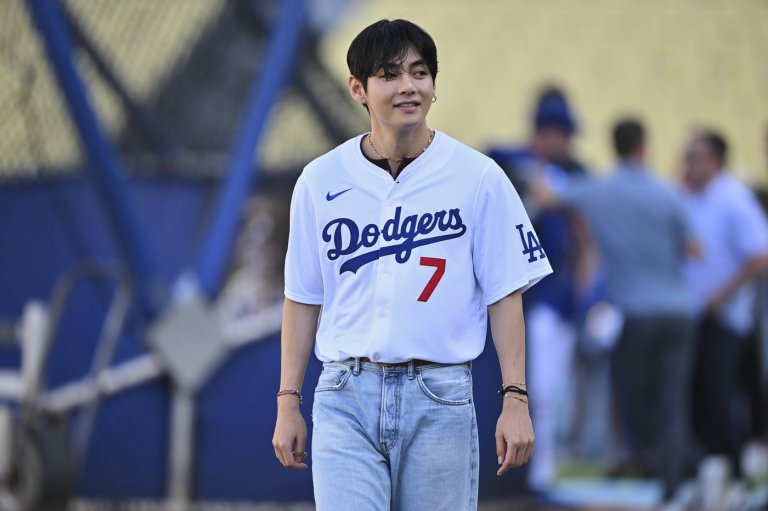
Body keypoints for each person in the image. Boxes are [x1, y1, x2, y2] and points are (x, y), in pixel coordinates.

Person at [271, 19, 553, 510]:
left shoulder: (478, 176)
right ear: (358, 88)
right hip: (345, 393)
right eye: (389, 74)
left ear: (434, 85)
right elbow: (302, 297)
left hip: (440, 394)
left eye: (419, 73)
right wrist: (287, 401)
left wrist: (515, 398)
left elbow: (505, 293)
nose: (408, 86)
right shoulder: (319, 180)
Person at [534, 118, 699, 498]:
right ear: (643, 146)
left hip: (635, 313)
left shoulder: (598, 191)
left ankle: (652, 462)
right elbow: (694, 249)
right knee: (673, 400)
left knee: (638, 403)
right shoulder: (667, 192)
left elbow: (547, 196)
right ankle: (673, 483)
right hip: (678, 311)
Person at [488, 87, 595, 492]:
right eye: (560, 133)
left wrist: (582, 297)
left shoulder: (575, 175)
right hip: (507, 295)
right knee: (511, 390)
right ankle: (517, 475)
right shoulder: (507, 162)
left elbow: (586, 242)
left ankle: (539, 473)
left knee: (547, 392)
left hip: (551, 297)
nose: (565, 143)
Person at [682, 130, 768, 475]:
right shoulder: (693, 198)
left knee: (720, 398)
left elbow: (760, 255)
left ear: (715, 160)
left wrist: (723, 294)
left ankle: (737, 470)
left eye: (694, 156)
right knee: (699, 400)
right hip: (698, 315)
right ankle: (714, 473)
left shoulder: (734, 198)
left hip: (727, 318)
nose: (688, 164)